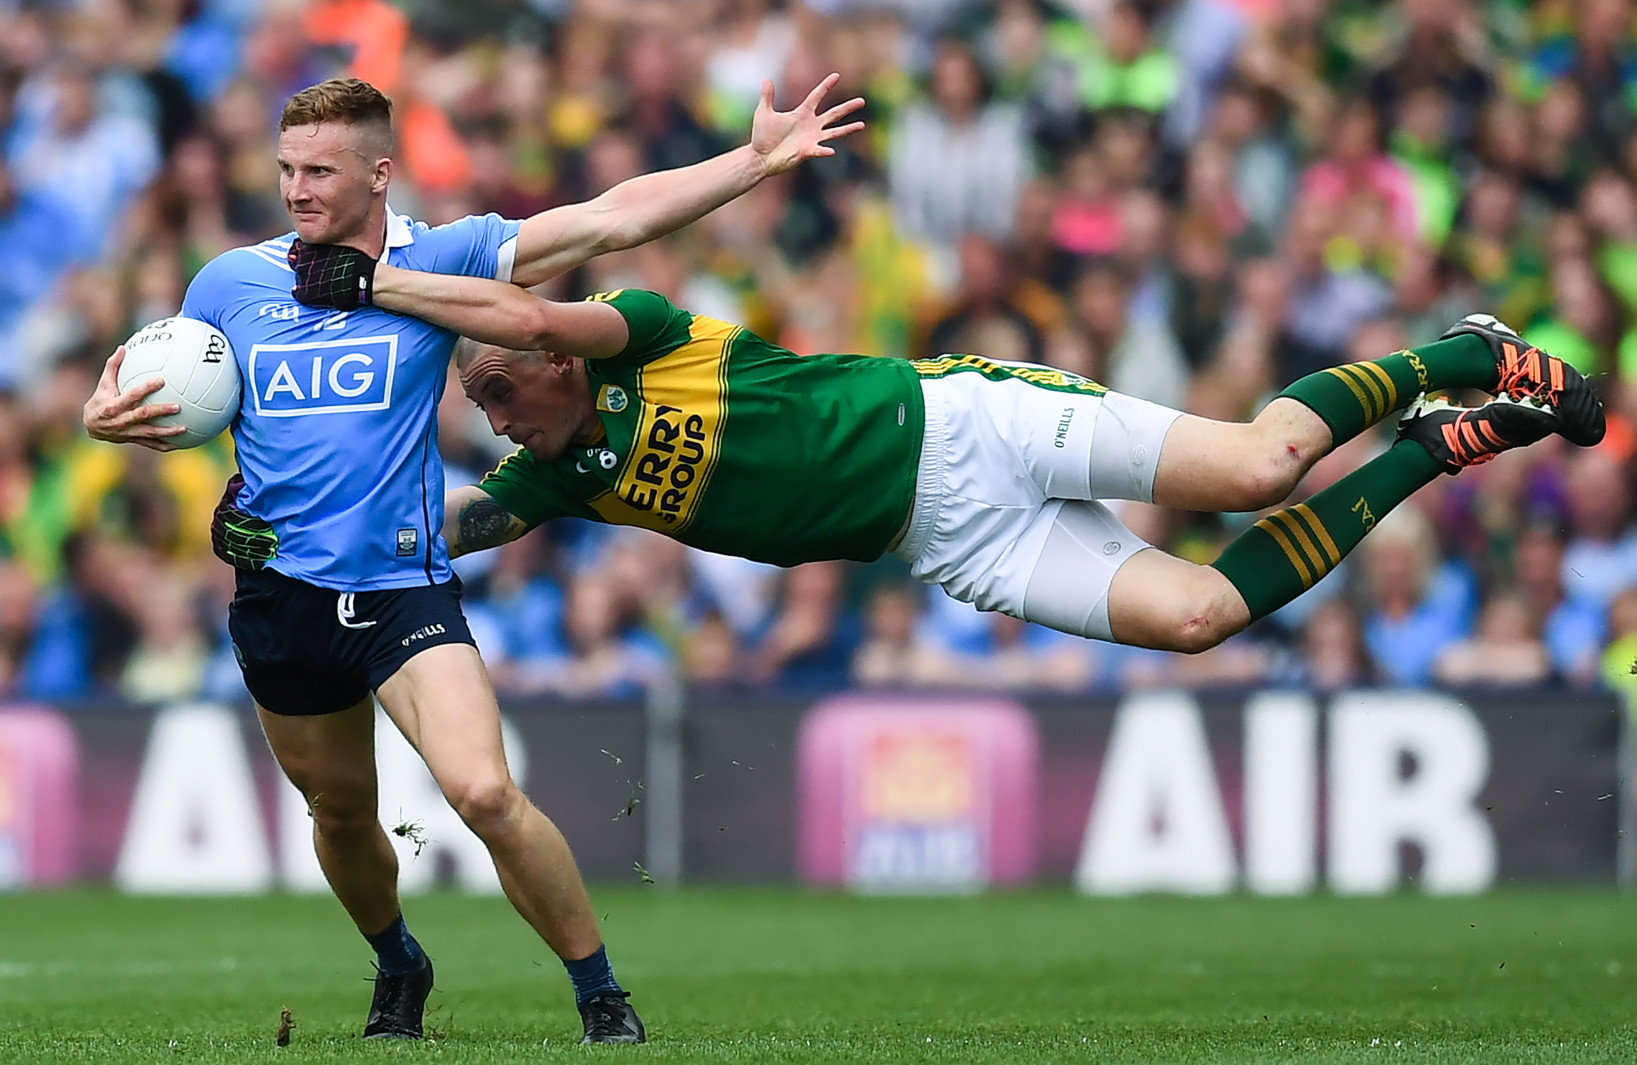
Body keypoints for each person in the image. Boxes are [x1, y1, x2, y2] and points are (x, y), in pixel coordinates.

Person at [80, 74, 864, 1044]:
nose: (296, 190)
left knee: (485, 791)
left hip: (404, 589)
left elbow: (607, 222)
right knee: (340, 810)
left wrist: (753, 161)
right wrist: (102, 418)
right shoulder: (229, 283)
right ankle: (398, 961)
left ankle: (599, 995)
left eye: (319, 170)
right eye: (285, 169)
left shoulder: (442, 261)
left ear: (379, 172)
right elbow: (164, 393)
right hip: (277, 595)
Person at [253, 245, 1606, 668]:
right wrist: (317, 534)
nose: (493, 408)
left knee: (1258, 470)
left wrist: (379, 290)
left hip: (966, 419)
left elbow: (538, 310)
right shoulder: (561, 476)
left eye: (497, 385)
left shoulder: (639, 337)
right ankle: (1439, 448)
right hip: (949, 538)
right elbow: (466, 529)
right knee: (1200, 614)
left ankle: (1459, 353)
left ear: (553, 362)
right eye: (479, 403)